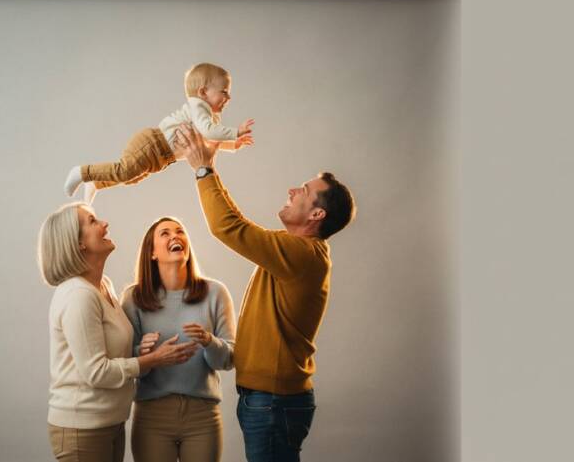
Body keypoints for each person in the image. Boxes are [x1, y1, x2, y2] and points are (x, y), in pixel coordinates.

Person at [173, 124, 357, 462]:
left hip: (273, 402)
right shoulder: (296, 253)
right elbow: (239, 226)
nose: (292, 190)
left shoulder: (301, 254)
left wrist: (202, 169)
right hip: (269, 401)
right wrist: (209, 168)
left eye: (303, 190)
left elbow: (229, 228)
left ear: (317, 214)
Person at [37, 202, 199, 462]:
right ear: (79, 243)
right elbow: (96, 372)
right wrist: (154, 360)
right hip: (82, 429)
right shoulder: (78, 295)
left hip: (108, 423)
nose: (104, 224)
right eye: (92, 221)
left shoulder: (103, 286)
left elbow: (109, 354)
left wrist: (139, 351)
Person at [121, 216, 236, 462]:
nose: (175, 236)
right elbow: (128, 365)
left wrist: (208, 341)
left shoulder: (215, 293)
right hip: (152, 416)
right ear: (152, 253)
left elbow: (227, 360)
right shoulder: (134, 298)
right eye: (165, 233)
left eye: (180, 231)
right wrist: (146, 354)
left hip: (202, 416)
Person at [63, 62, 255, 203]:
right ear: (203, 92)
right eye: (224, 92)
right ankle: (82, 172)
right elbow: (209, 132)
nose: (228, 98)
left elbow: (209, 140)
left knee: (131, 177)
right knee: (124, 171)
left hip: (161, 157)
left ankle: (97, 183)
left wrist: (233, 146)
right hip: (152, 144)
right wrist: (236, 132)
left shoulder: (209, 118)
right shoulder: (198, 106)